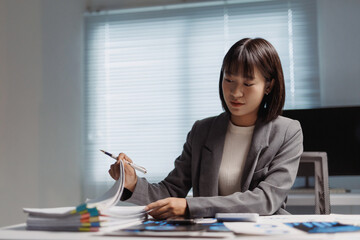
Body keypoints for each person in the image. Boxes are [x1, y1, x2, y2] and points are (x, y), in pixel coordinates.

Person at [109, 38, 303, 219]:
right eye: (229, 80)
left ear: (268, 86)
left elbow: (265, 200)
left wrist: (190, 207)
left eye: (247, 83)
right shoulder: (202, 130)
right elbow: (171, 192)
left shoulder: (287, 132)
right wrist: (132, 183)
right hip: (209, 235)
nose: (235, 92)